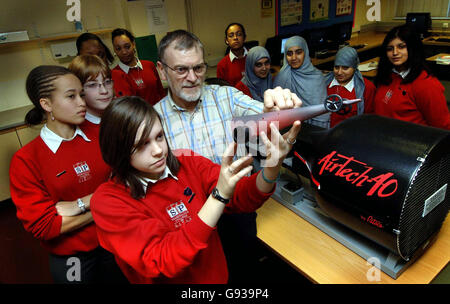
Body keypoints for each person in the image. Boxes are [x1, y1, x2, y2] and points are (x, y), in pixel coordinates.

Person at [90, 96, 301, 283]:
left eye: (159, 137)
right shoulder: (108, 200)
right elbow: (163, 260)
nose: (157, 150)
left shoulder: (187, 164)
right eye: (141, 145)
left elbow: (243, 196)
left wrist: (272, 166)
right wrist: (218, 196)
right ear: (118, 150)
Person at [153, 29, 302, 283]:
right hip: (192, 220)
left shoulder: (225, 96)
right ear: (161, 70)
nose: (192, 78)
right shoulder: (153, 120)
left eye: (198, 68)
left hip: (238, 209)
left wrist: (273, 106)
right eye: (181, 70)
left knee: (244, 271)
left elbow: (262, 116)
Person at [9, 65, 127, 283]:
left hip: (116, 241)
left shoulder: (102, 135)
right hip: (74, 258)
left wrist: (79, 205)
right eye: (71, 96)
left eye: (81, 94)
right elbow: (45, 226)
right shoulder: (27, 159)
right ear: (46, 104)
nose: (82, 102)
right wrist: (105, 203)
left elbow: (127, 184)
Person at [374, 24, 450, 130]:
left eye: (401, 47)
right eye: (390, 48)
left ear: (412, 48)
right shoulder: (387, 76)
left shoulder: (427, 85)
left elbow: (443, 127)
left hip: (411, 144)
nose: (395, 53)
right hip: (384, 140)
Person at [274, 36, 330, 128]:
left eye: (298, 52)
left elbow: (321, 115)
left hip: (312, 129)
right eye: (289, 53)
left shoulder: (316, 77)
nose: (294, 58)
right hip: (287, 128)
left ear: (305, 52)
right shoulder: (281, 77)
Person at [111, 28, 166, 105]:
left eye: (127, 46)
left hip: (159, 113)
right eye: (118, 48)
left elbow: (161, 92)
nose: (123, 52)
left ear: (133, 44)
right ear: (114, 50)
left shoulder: (149, 65)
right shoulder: (114, 74)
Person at [325, 46, 376, 128]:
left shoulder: (367, 88)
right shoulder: (324, 84)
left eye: (345, 68)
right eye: (336, 67)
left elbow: (369, 119)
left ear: (354, 68)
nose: (339, 72)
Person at [68, 54, 114, 135]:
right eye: (92, 85)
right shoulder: (75, 131)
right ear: (79, 90)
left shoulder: (122, 118)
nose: (104, 90)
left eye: (107, 82)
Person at [217, 22, 248, 87]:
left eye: (239, 34)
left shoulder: (254, 57)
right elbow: (223, 90)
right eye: (231, 35)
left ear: (244, 38)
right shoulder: (222, 65)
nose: (235, 38)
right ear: (226, 40)